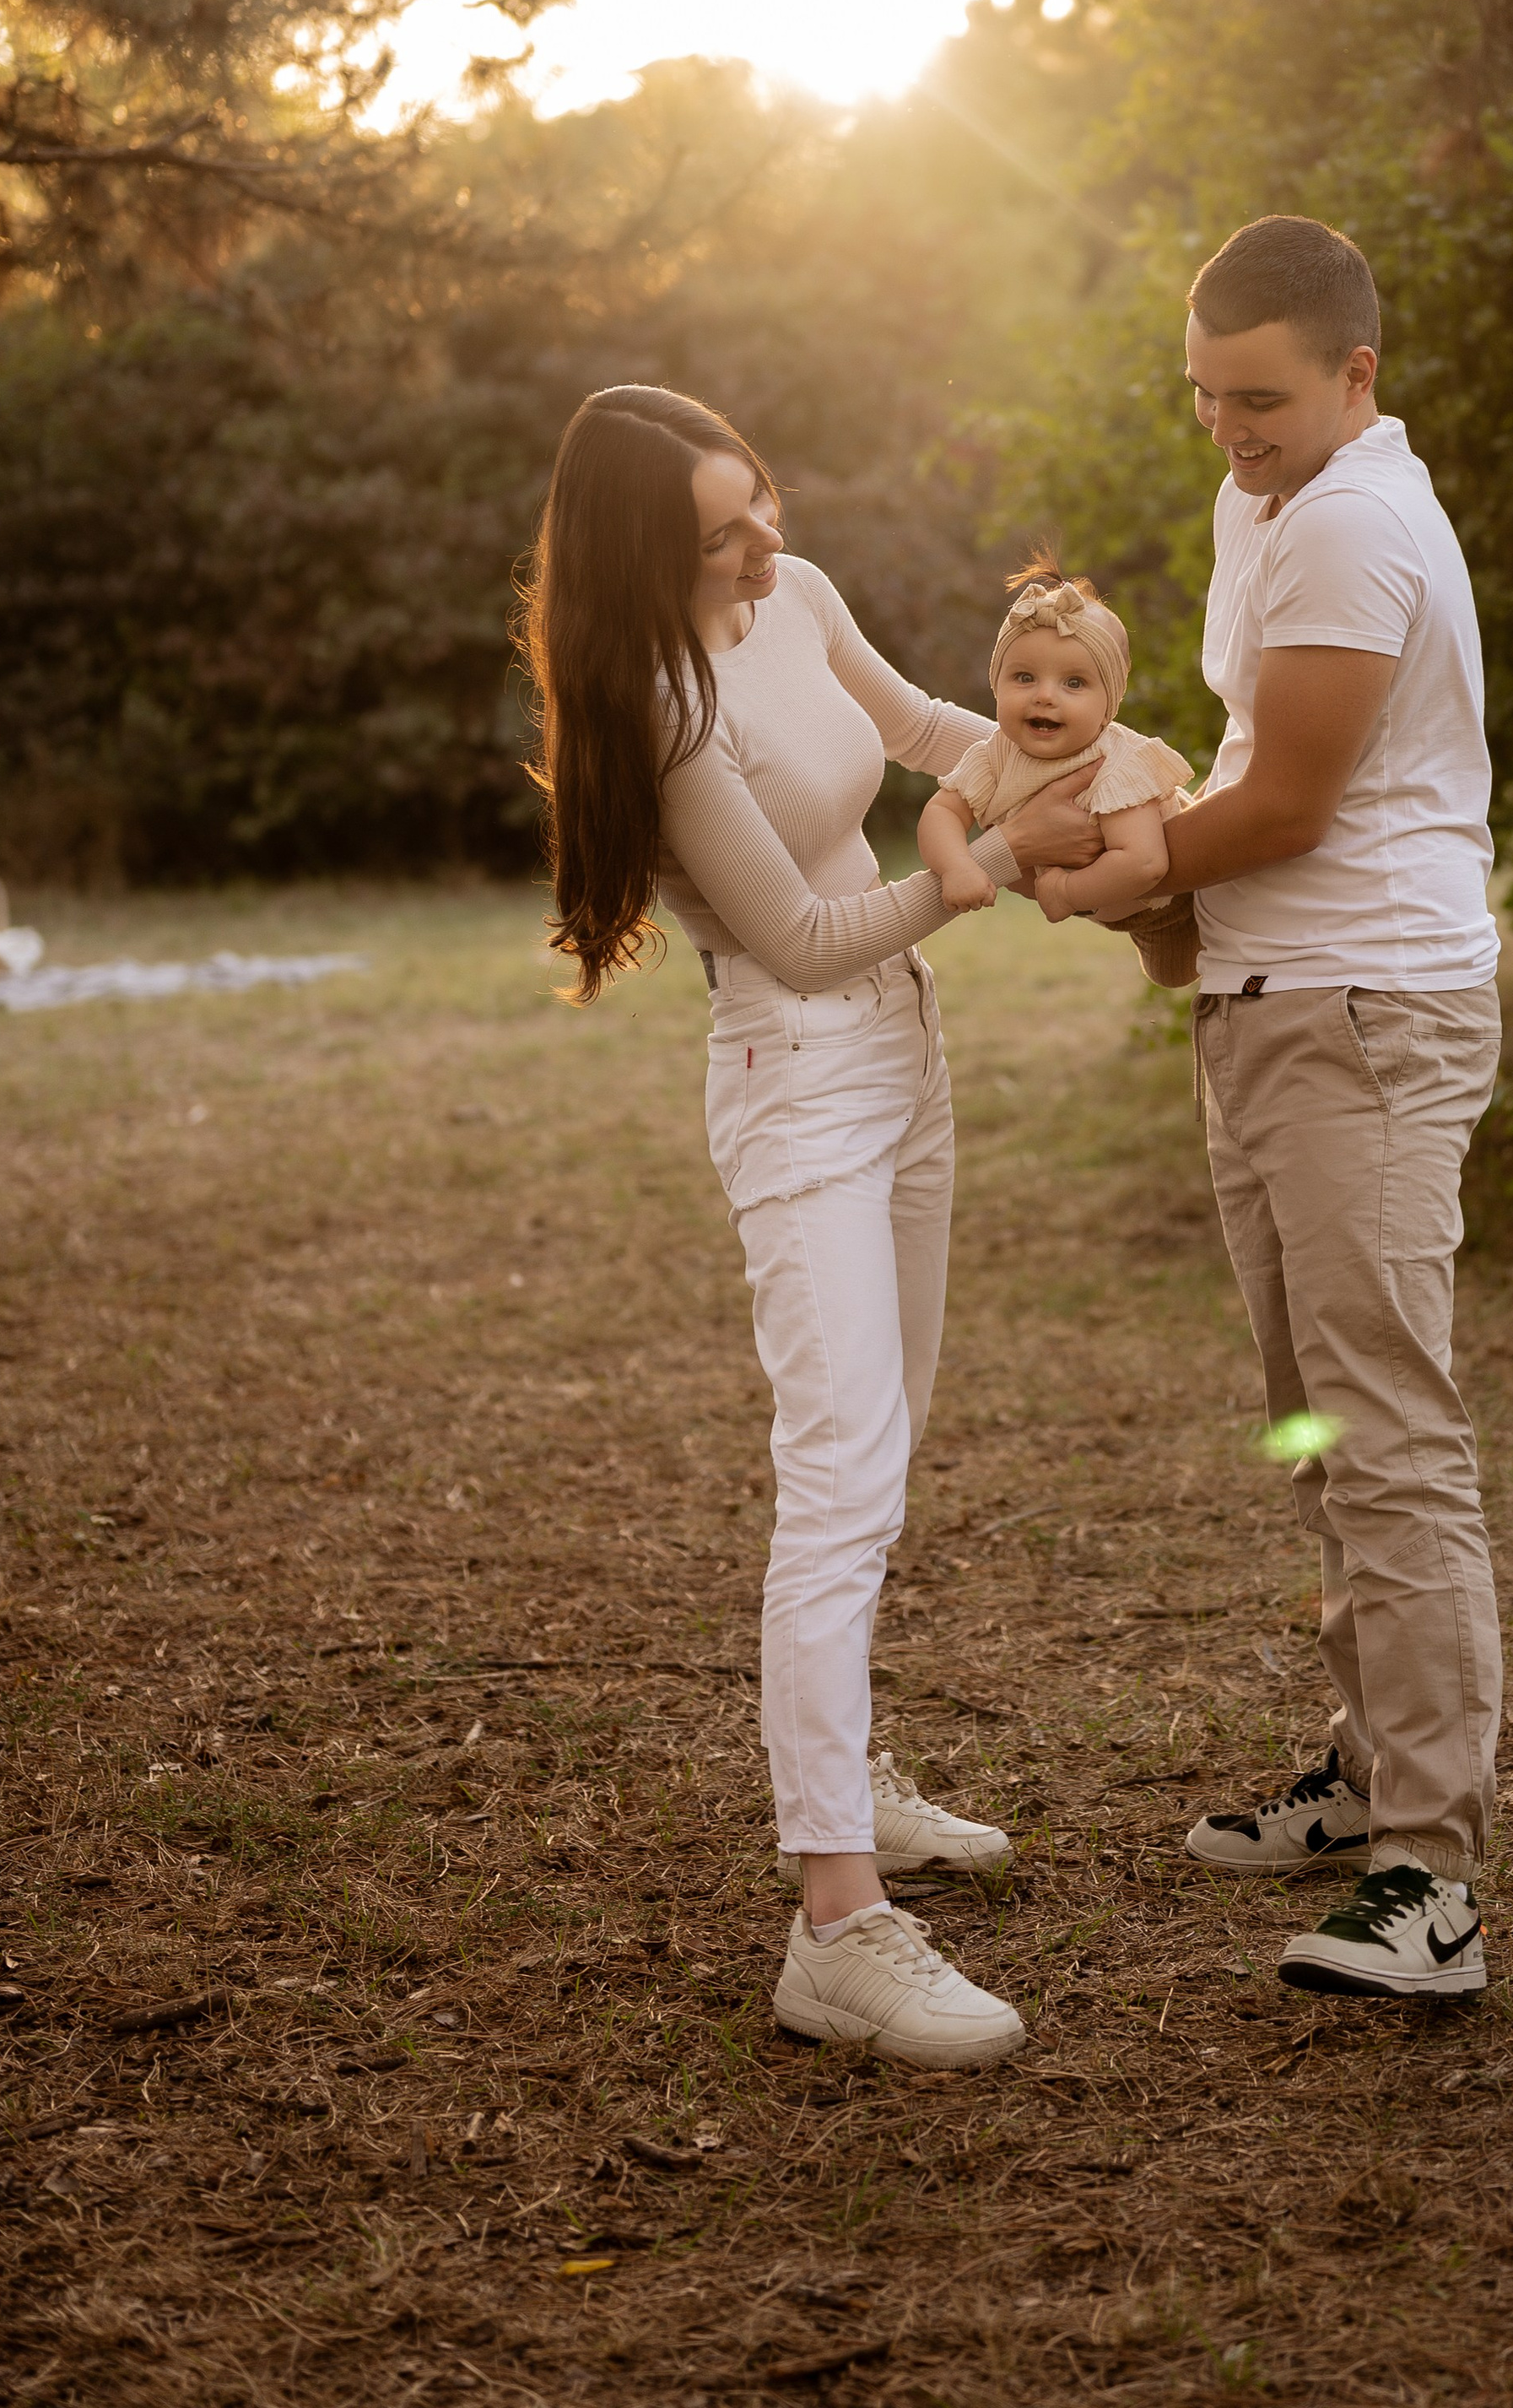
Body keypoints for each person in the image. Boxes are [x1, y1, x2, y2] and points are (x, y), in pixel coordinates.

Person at [519, 384, 1101, 2069]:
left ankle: (849, 1774)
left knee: (888, 1440)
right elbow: (796, 933)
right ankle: (834, 1925)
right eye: (722, 533)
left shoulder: (800, 595)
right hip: (800, 1077)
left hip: (906, 1052)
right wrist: (999, 860)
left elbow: (928, 727)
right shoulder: (657, 701)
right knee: (839, 1478)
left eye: (760, 499)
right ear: (648, 555)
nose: (765, 541)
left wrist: (1118, 769)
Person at [1144, 219, 1504, 2000]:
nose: (1229, 429)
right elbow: (1244, 758)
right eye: (1204, 396)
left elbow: (1285, 803)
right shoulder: (1271, 499)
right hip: (1270, 1005)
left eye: (1261, 399)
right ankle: (1367, 1777)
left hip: (1365, 1013)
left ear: (1356, 375)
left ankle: (1432, 1879)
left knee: (1386, 1433)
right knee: (1315, 1421)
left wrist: (1116, 866)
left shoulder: (1358, 519)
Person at [916, 559, 1193, 927]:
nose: (1044, 696)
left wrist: (1066, 892)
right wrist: (957, 866)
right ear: (996, 684)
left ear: (1109, 703)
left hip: (1178, 901)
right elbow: (942, 813)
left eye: (1074, 683)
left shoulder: (1114, 761)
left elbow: (1145, 863)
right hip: (1116, 912)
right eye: (1024, 677)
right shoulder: (995, 756)